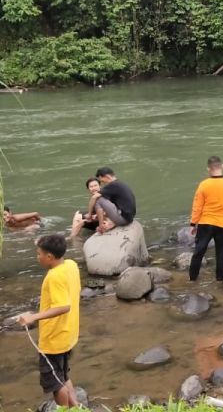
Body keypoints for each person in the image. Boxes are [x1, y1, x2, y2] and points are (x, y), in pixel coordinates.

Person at [14, 234, 80, 408]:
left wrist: (33, 317)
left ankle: (64, 410)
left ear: (49, 257)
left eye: (39, 254)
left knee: (55, 383)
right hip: (68, 334)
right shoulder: (71, 265)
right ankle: (77, 409)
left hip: (54, 339)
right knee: (63, 376)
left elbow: (64, 306)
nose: (38, 257)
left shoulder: (54, 277)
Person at [188, 155, 223, 282]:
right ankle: (219, 279)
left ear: (208, 169)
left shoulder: (203, 185)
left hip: (205, 223)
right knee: (221, 253)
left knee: (199, 252)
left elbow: (197, 206)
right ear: (222, 166)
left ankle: (192, 279)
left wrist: (193, 224)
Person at [92, 167, 136, 233]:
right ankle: (109, 223)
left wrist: (89, 214)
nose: (103, 183)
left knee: (99, 199)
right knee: (101, 201)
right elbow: (114, 206)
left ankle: (101, 227)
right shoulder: (120, 184)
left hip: (124, 220)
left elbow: (94, 197)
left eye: (102, 181)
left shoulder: (112, 185)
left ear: (107, 177)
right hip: (129, 218)